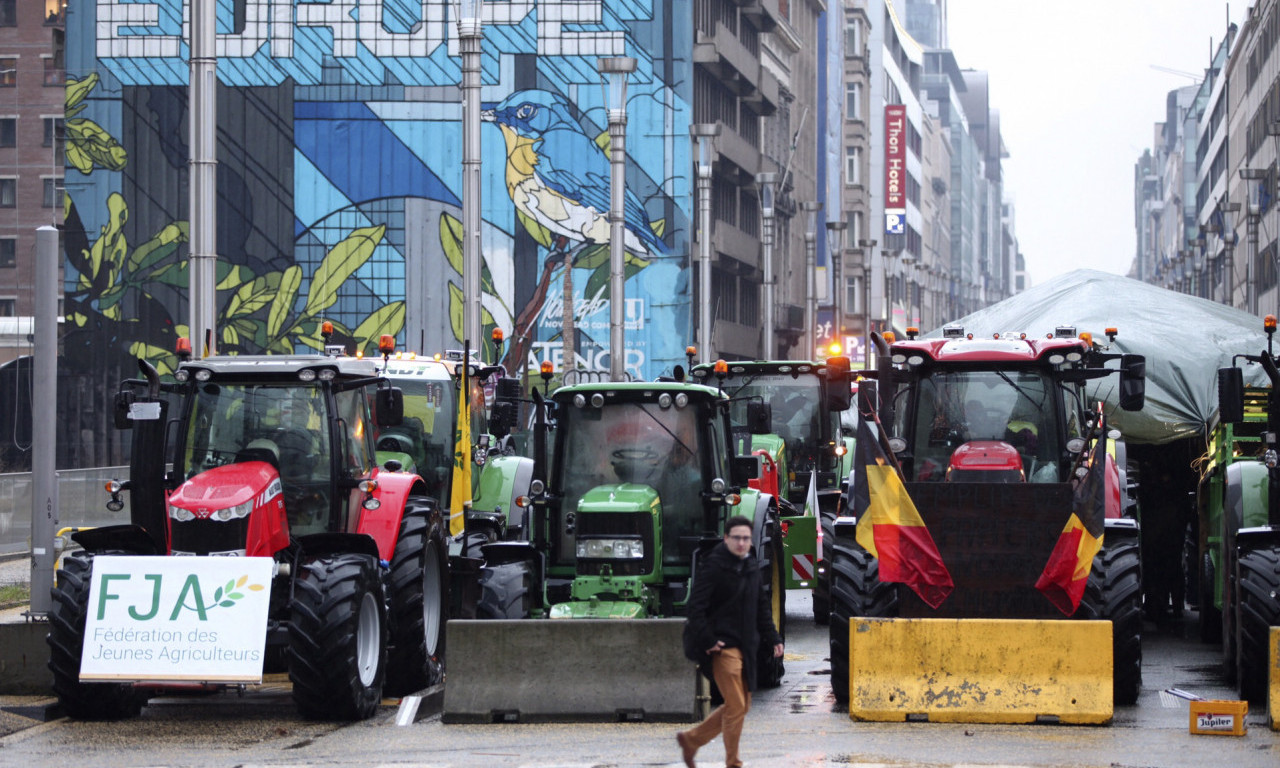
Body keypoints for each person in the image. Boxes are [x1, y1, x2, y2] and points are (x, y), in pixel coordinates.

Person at [676, 515, 784, 768]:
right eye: (736, 538)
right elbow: (696, 607)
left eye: (746, 538)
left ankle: (692, 740)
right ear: (726, 539)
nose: (742, 543)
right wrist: (709, 640)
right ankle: (732, 763)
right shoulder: (714, 566)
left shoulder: (751, 567)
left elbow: (762, 608)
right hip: (722, 648)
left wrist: (773, 638)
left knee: (742, 705)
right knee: (736, 706)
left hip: (746, 646)